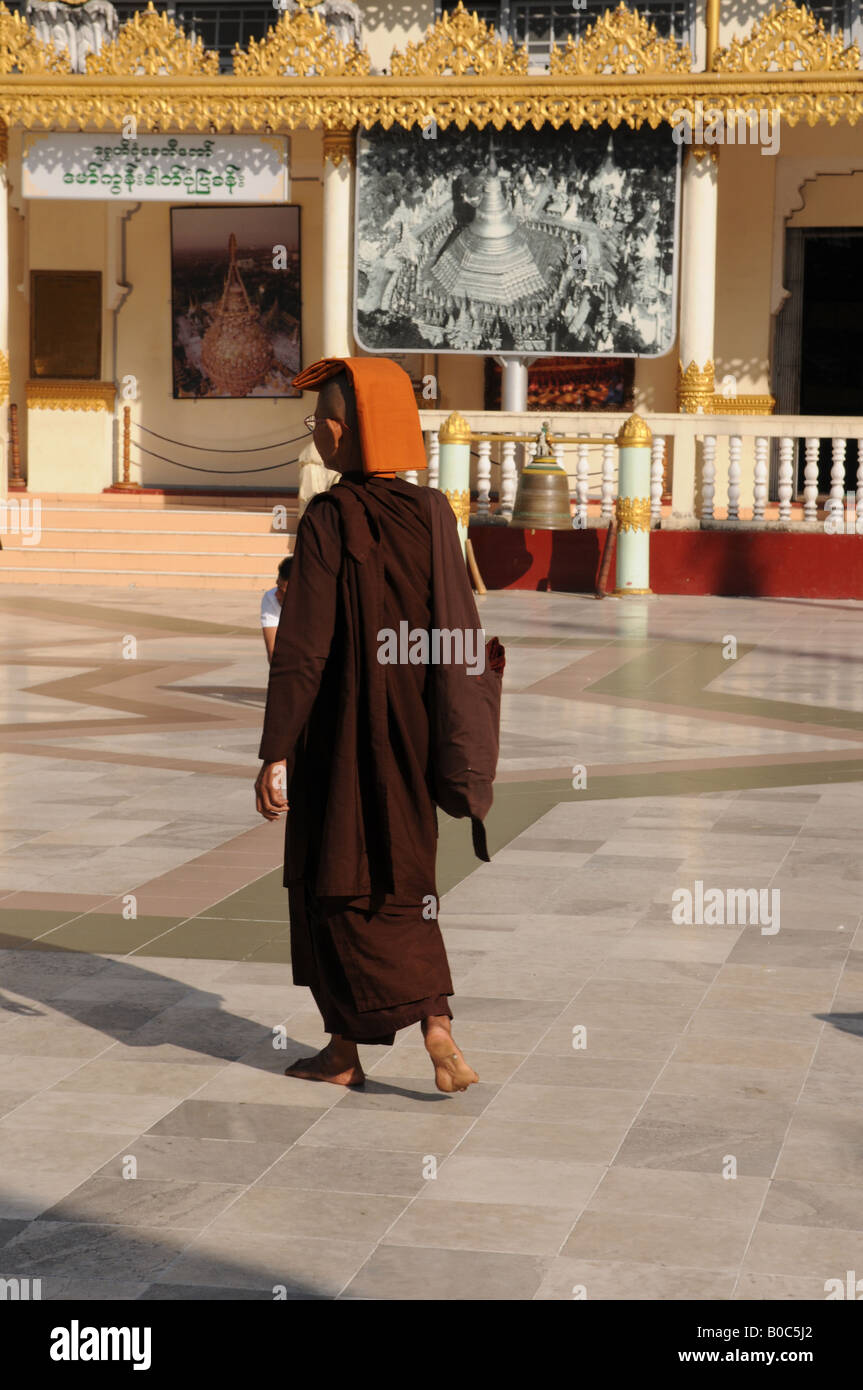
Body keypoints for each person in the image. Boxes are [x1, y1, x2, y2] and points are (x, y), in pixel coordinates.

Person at [255, 356, 500, 1093]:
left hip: (339, 739)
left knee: (337, 882)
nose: (319, 435)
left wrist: (275, 751)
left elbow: (303, 649)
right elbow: (458, 627)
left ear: (349, 431)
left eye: (323, 422)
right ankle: (429, 1027)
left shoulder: (328, 518)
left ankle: (347, 1052)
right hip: (411, 737)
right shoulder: (432, 513)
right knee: (404, 881)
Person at [260, 555, 292, 665]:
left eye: (282, 591)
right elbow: (273, 652)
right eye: (277, 586)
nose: (276, 595)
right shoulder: (270, 598)